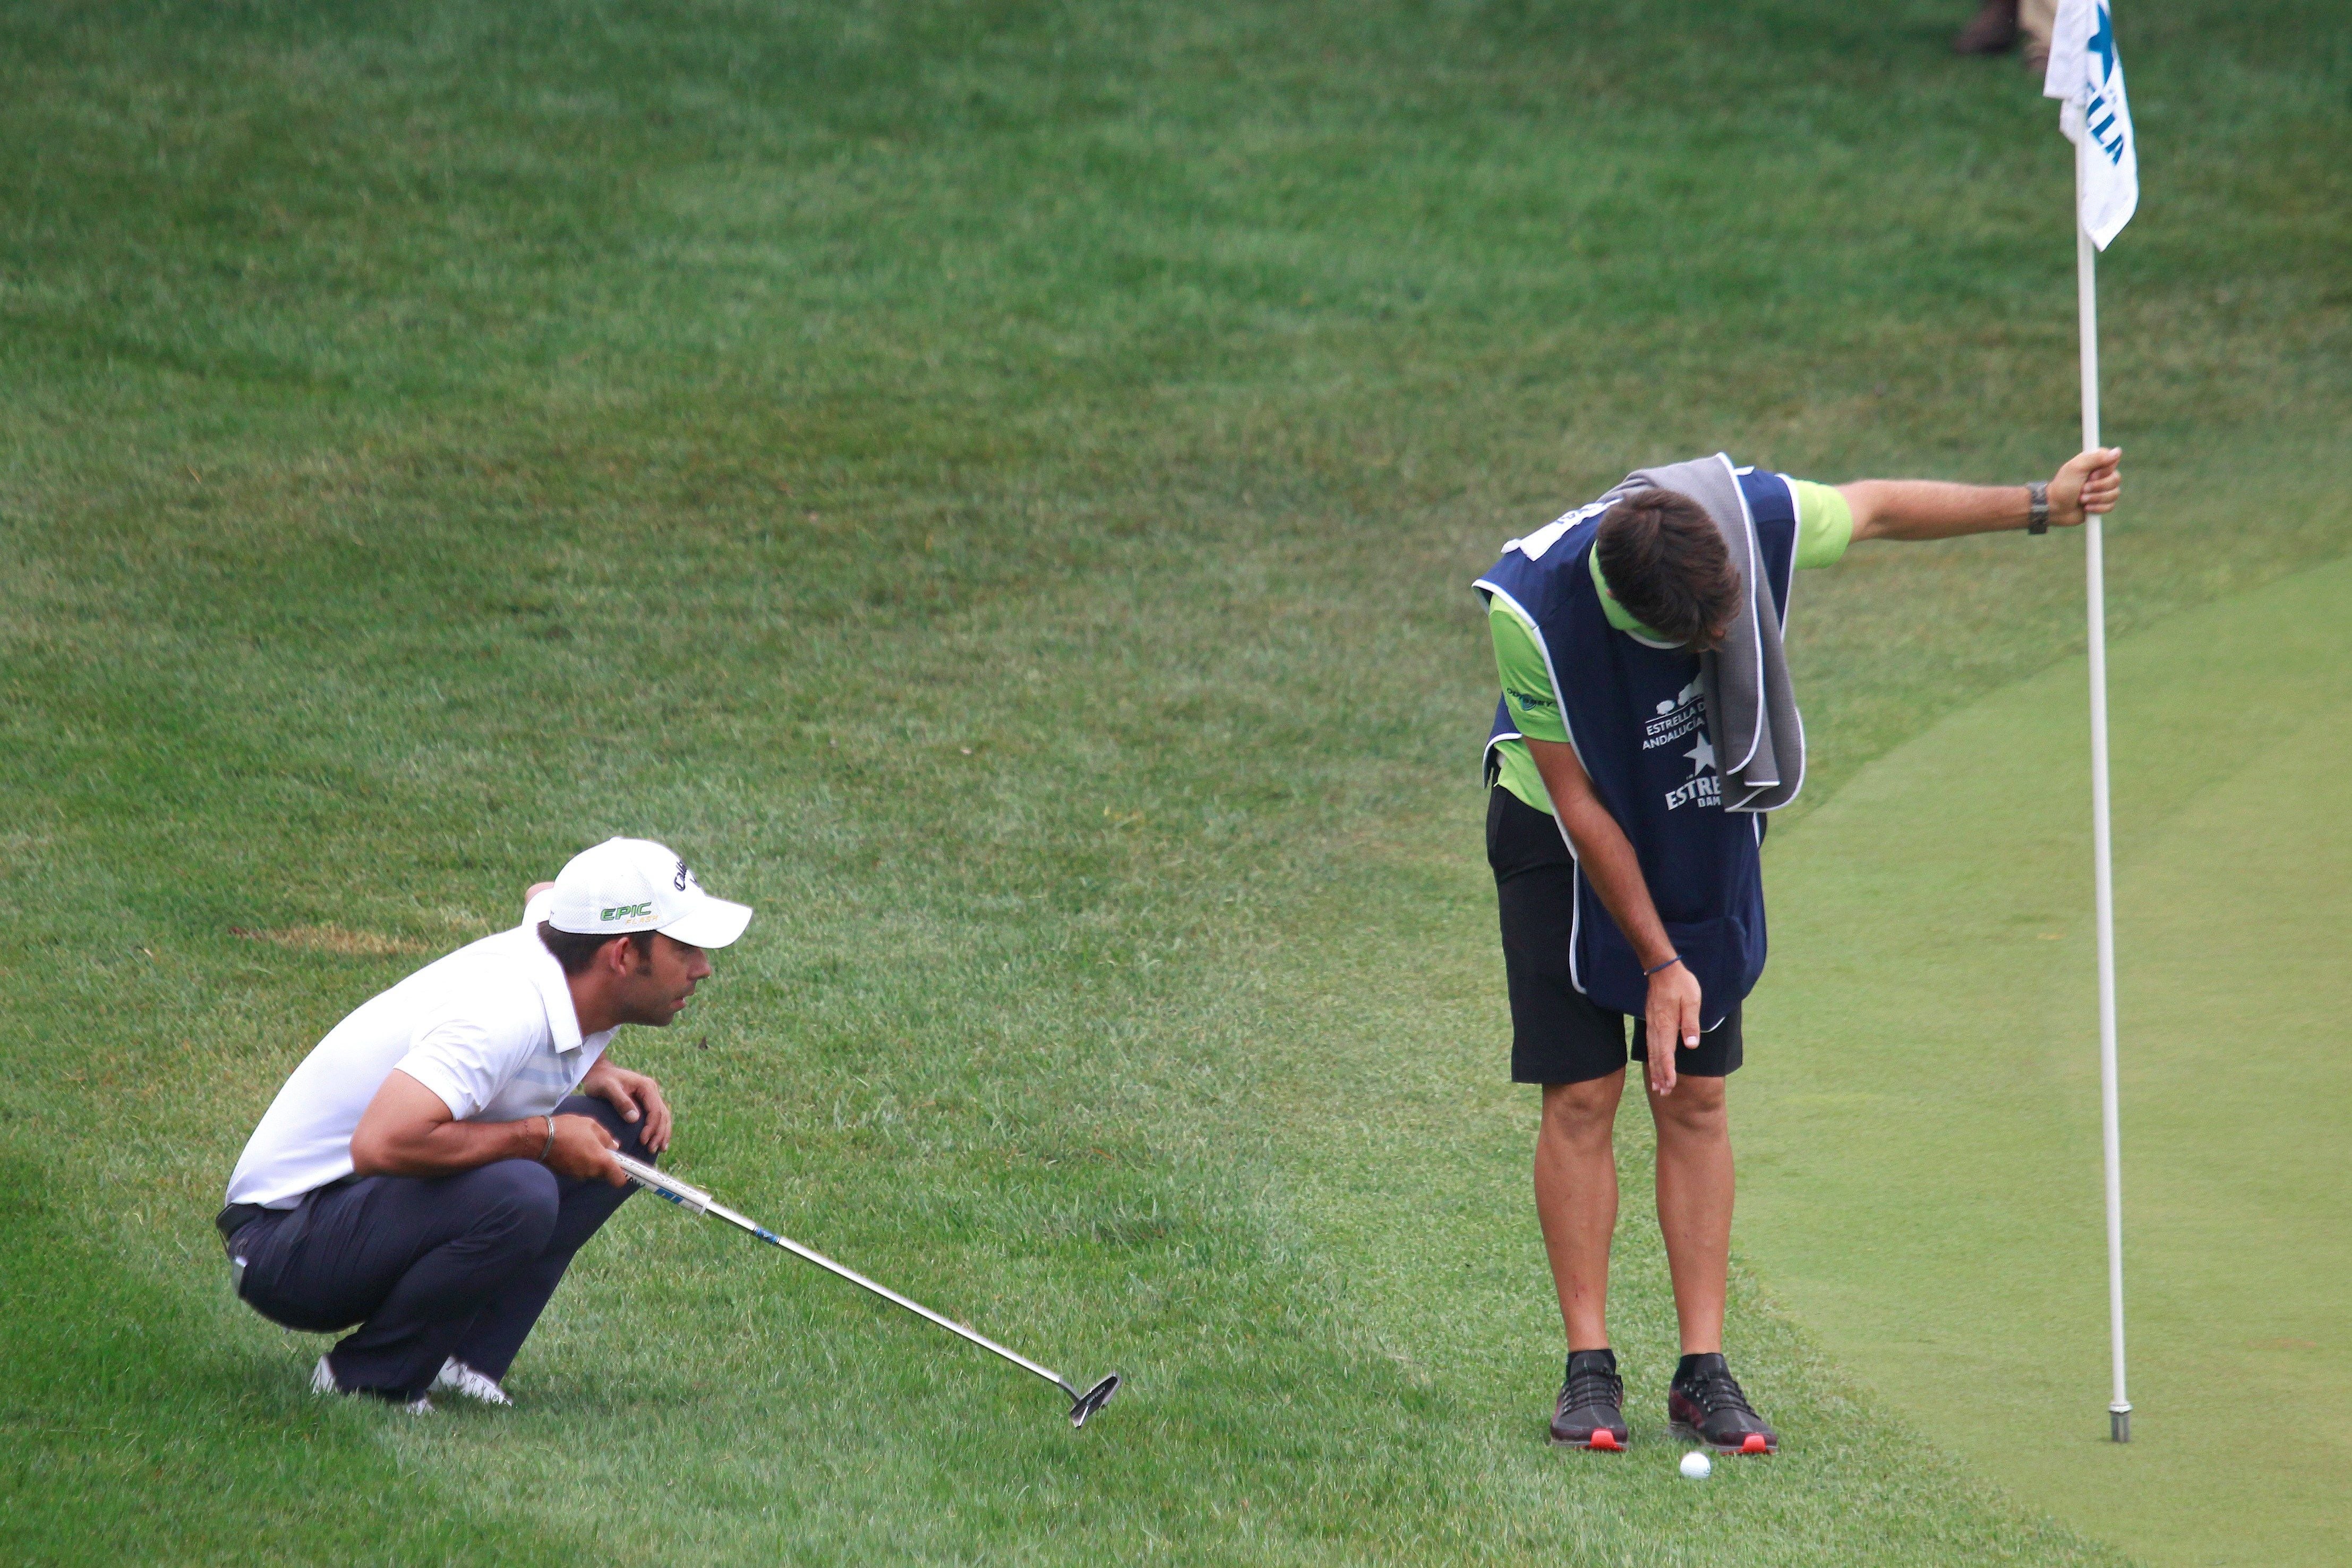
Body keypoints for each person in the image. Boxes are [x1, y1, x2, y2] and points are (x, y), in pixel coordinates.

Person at [1476, 447, 2123, 1453]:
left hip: (1694, 816)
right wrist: (1656, 963)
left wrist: (2041, 503)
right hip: (1558, 834)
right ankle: (1587, 1367)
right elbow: (1580, 806)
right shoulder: (1529, 609)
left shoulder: (1735, 515)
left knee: (1695, 1092)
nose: (1733, 637)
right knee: (1582, 1091)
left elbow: (1869, 508)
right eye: (1705, 636)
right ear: (1644, 622)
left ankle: (1702, 1371)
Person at [217, 836, 752, 1411]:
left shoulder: (572, 940)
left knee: (623, 1125)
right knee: (520, 1188)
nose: (703, 968)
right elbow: (381, 1143)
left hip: (358, 1211)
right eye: (685, 948)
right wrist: (542, 1139)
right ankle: (370, 1379)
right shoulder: (501, 1012)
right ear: (622, 955)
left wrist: (597, 1068)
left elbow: (544, 896)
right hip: (282, 1245)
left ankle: (463, 1357)